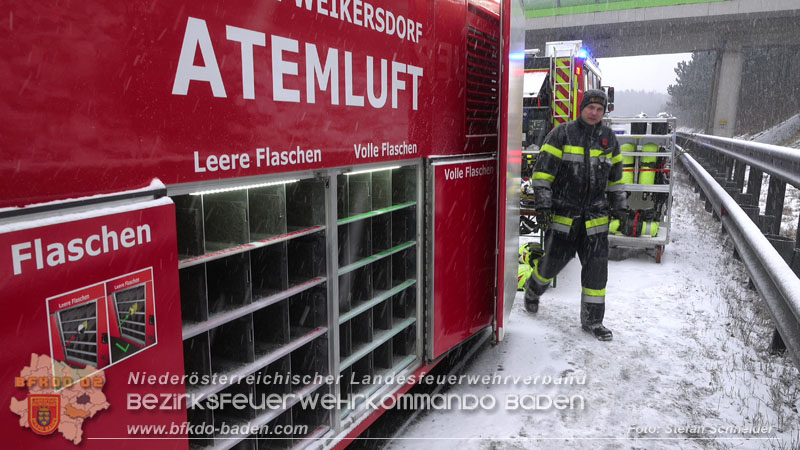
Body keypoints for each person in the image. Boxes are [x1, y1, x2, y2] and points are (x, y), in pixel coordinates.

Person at [523, 89, 627, 341]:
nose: (594, 113)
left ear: (604, 113)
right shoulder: (562, 134)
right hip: (564, 218)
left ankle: (593, 321)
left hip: (596, 220)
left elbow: (616, 180)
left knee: (596, 273)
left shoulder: (609, 139)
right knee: (550, 266)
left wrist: (620, 207)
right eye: (590, 108)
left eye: (599, 109)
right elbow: (543, 174)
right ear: (582, 109)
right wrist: (544, 206)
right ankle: (533, 290)